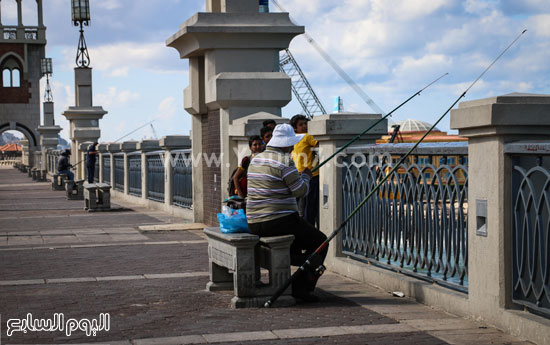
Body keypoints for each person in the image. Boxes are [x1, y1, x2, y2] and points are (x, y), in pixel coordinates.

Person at [246, 124, 328, 302]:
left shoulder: (256, 159)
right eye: (291, 144)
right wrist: (306, 175)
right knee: (321, 241)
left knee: (301, 241)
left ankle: (300, 261)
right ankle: (302, 287)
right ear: (286, 144)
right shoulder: (284, 160)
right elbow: (300, 191)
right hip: (279, 220)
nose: (292, 147)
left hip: (253, 222)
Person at [290, 114, 320, 227]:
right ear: (295, 128)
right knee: (308, 207)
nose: (304, 126)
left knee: (304, 207)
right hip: (308, 175)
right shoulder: (305, 137)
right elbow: (319, 143)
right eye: (301, 124)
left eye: (305, 124)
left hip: (304, 174)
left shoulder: (297, 138)